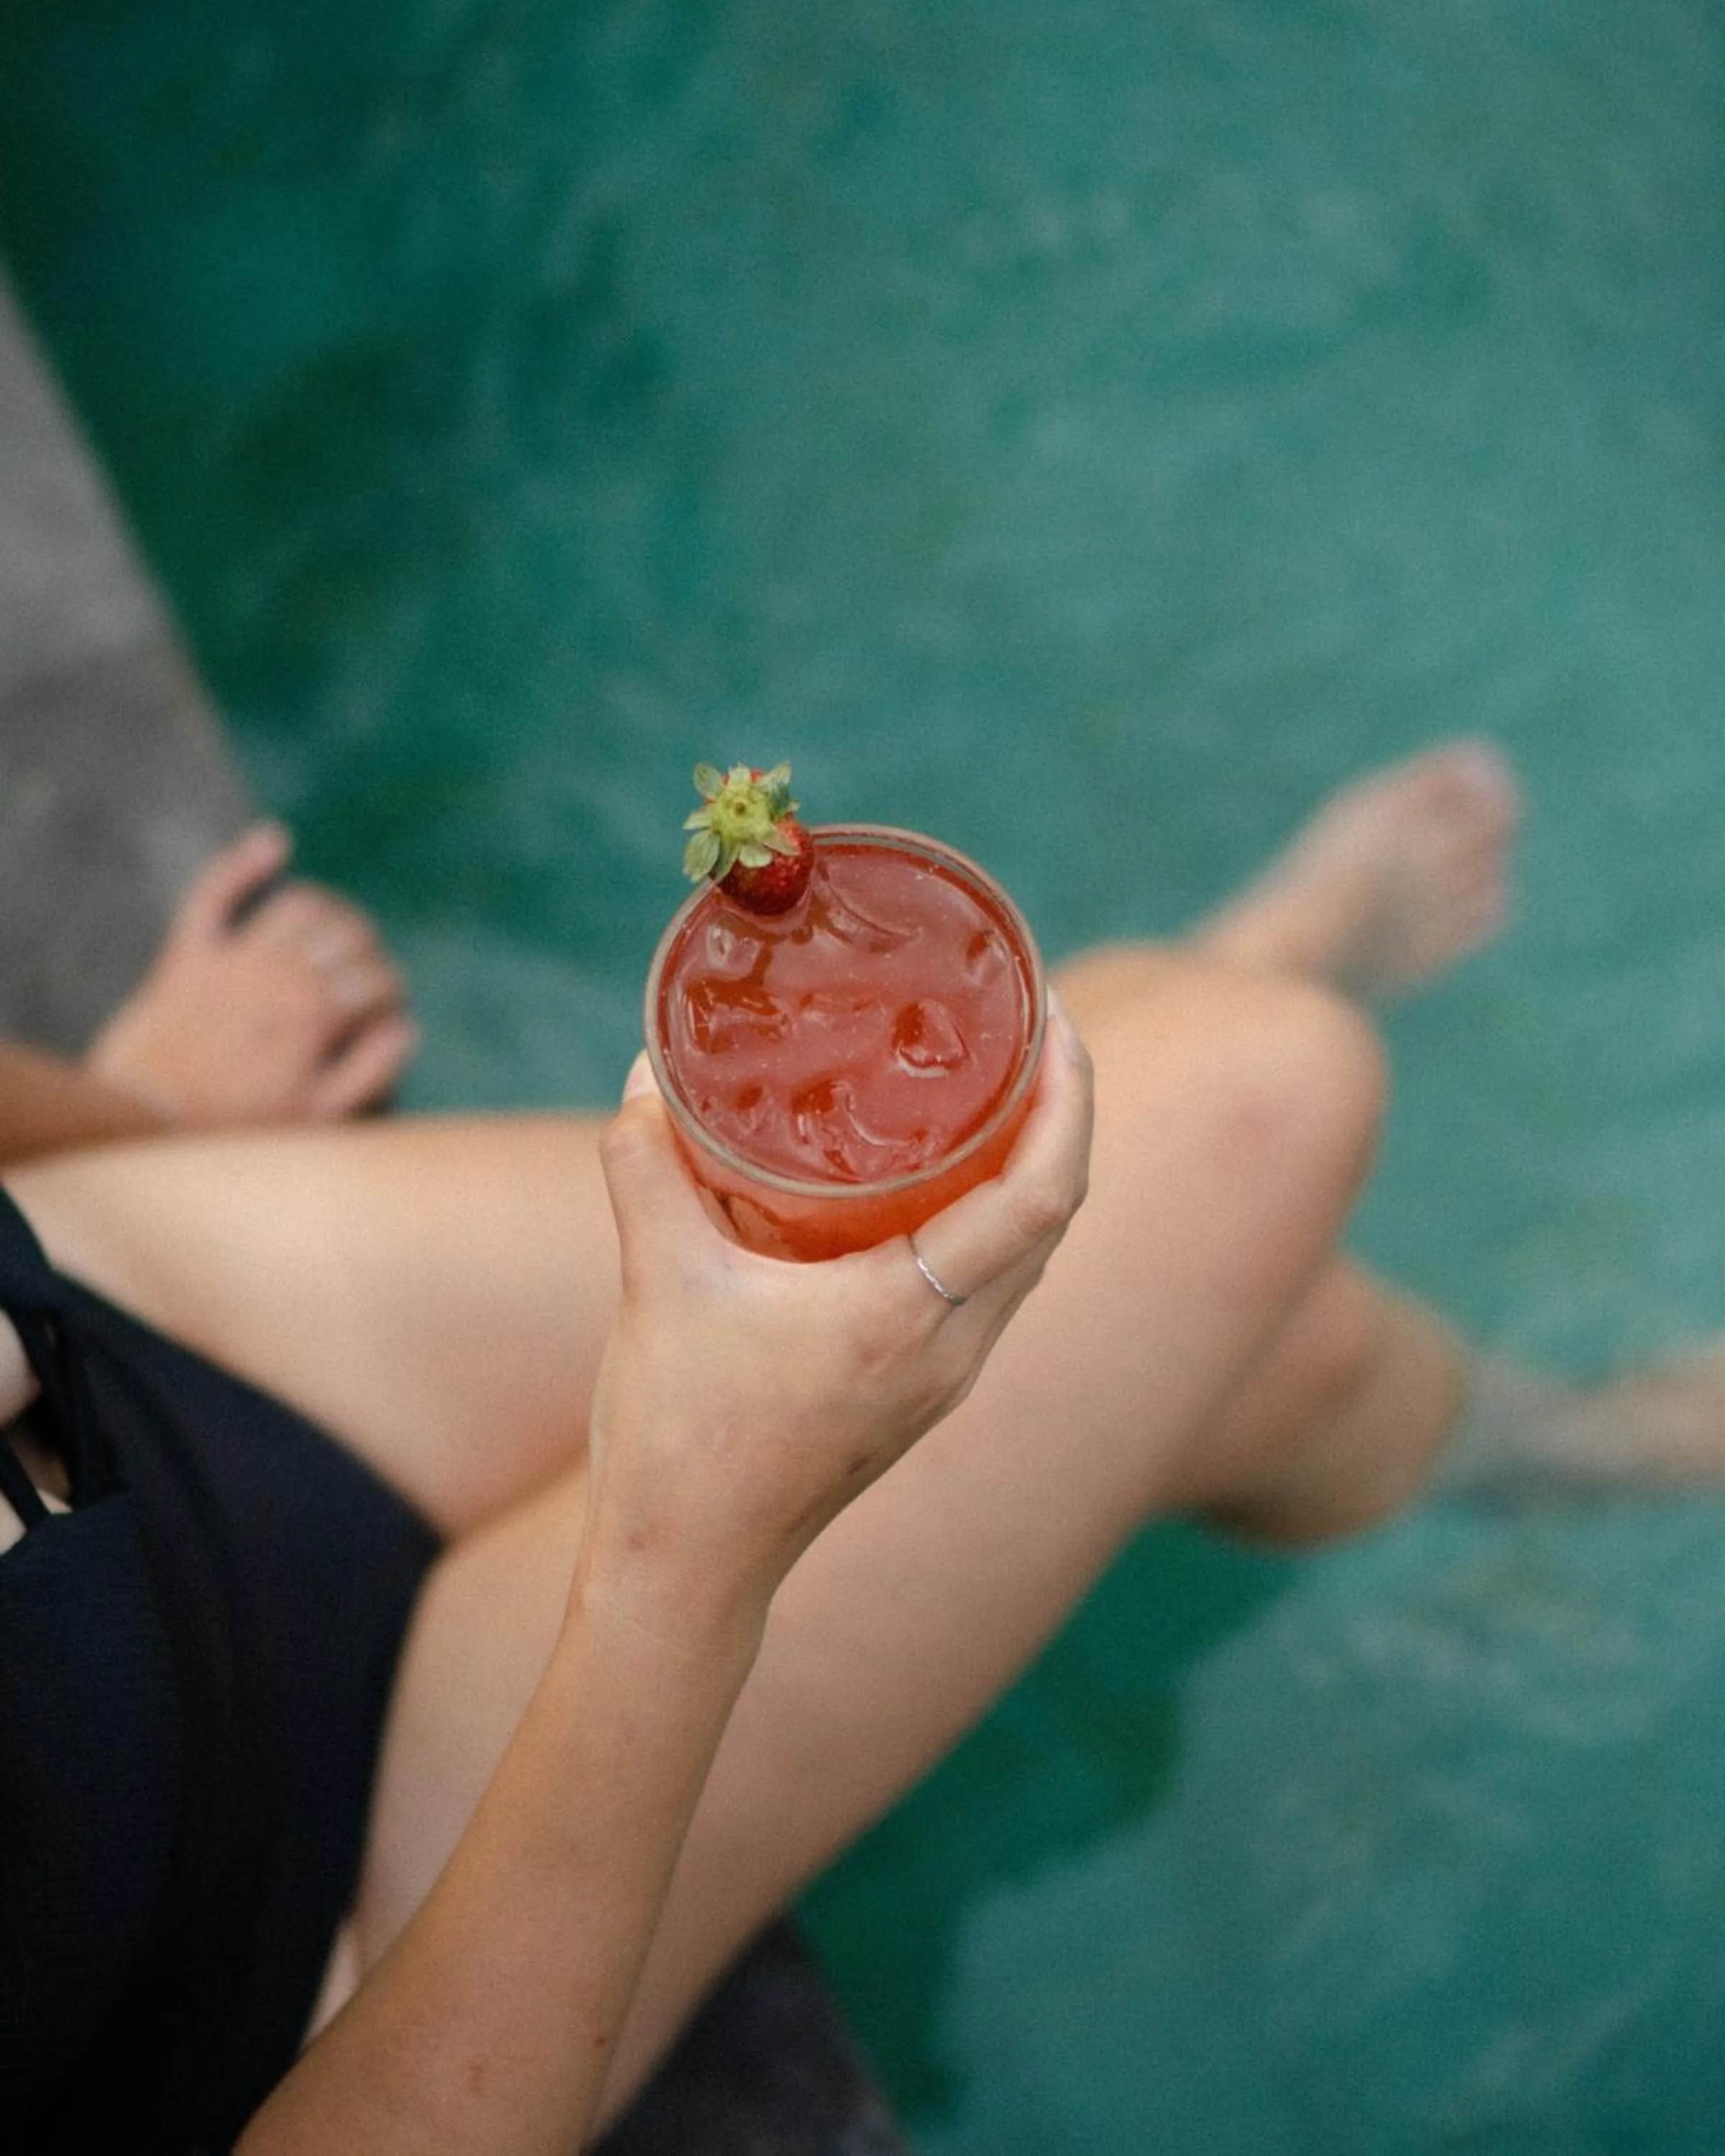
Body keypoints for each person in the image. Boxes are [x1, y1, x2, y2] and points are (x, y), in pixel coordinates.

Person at [0, 740, 1693, 2151]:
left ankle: (1237, 1103)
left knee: (1207, 1260)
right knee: (1263, 1116)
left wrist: (139, 1114)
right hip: (294, 1953)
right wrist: (691, 1554)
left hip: (144, 1324)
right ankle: (1551, 1434)